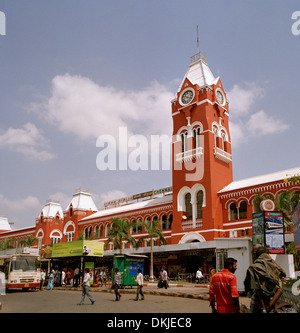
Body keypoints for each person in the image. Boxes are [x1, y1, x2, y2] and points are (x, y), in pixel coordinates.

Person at [244, 246, 286, 313]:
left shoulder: (255, 268)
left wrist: (263, 308)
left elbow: (258, 291)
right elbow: (280, 291)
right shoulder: (275, 268)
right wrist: (268, 307)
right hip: (271, 304)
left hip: (257, 304)